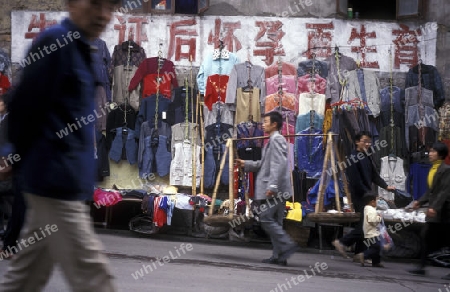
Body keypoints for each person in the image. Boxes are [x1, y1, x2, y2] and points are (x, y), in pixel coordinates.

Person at [2, 0, 119, 291]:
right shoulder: (55, 44)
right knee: (94, 278)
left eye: (110, 6)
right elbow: (23, 108)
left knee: (25, 279)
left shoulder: (86, 50)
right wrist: (13, 159)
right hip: (55, 184)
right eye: (95, 4)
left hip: (65, 183)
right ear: (72, 3)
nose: (103, 15)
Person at [235, 111, 298, 266]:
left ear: (274, 124)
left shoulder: (276, 140)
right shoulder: (272, 140)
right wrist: (246, 164)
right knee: (276, 221)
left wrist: (272, 186)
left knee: (265, 218)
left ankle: (287, 245)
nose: (263, 124)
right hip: (279, 189)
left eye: (266, 122)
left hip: (276, 190)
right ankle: (279, 256)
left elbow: (279, 164)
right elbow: (265, 164)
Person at [332, 131, 395, 260]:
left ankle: (359, 254)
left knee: (365, 224)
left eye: (369, 142)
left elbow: (374, 175)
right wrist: (369, 196)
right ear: (357, 142)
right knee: (365, 225)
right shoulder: (352, 158)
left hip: (368, 195)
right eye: (364, 141)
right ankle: (343, 242)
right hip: (360, 196)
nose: (367, 144)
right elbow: (355, 182)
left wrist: (386, 186)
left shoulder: (367, 156)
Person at [408, 142, 450, 277]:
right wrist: (419, 202)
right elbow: (431, 191)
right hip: (435, 210)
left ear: (441, 155)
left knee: (444, 239)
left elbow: (444, 192)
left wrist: (434, 208)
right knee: (425, 236)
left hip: (444, 211)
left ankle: (422, 265)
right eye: (430, 151)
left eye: (433, 152)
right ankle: (421, 266)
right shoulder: (433, 169)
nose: (430, 154)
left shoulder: (446, 170)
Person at [0, 93, 25, 260]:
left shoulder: (9, 120)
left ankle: (9, 245)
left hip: (11, 170)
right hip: (12, 170)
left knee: (15, 207)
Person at [355, 192, 384, 268]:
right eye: (376, 201)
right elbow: (372, 220)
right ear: (372, 202)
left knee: (374, 247)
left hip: (369, 232)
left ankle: (376, 262)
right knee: (377, 247)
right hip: (372, 233)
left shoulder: (367, 208)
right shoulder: (371, 210)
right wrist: (379, 218)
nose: (377, 203)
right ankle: (364, 255)